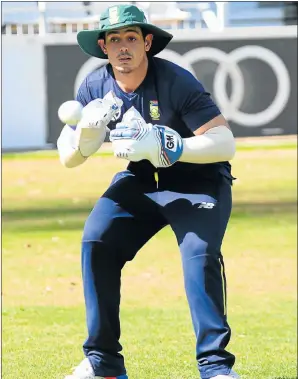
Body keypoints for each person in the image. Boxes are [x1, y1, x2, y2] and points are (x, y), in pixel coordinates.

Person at [57, 4, 239, 379]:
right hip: (142, 178)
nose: (123, 47)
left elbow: (224, 143)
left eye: (131, 38)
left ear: (147, 42)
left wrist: (173, 145)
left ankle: (216, 368)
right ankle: (103, 361)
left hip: (198, 179)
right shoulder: (94, 85)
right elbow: (70, 158)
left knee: (199, 254)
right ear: (104, 47)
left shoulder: (176, 81)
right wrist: (87, 139)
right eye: (114, 40)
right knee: (97, 240)